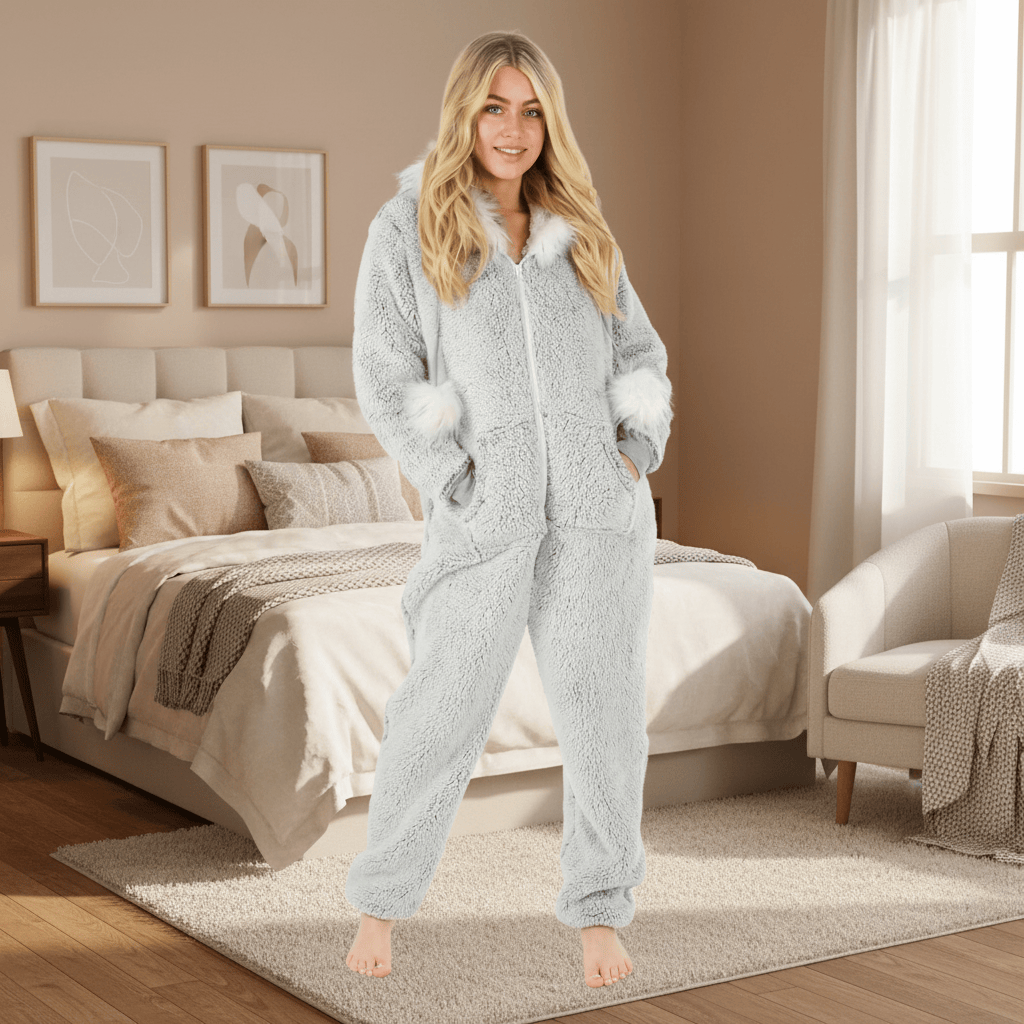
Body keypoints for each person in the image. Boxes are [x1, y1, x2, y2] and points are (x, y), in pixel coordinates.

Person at [345, 29, 673, 989]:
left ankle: (601, 912)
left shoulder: (582, 230)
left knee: (606, 719)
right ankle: (381, 903)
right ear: (465, 111)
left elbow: (641, 353)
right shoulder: (407, 228)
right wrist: (451, 476)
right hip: (484, 515)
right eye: (495, 106)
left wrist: (633, 452)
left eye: (531, 111)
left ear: (549, 123)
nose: (513, 128)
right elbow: (384, 376)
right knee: (438, 712)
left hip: (598, 517)